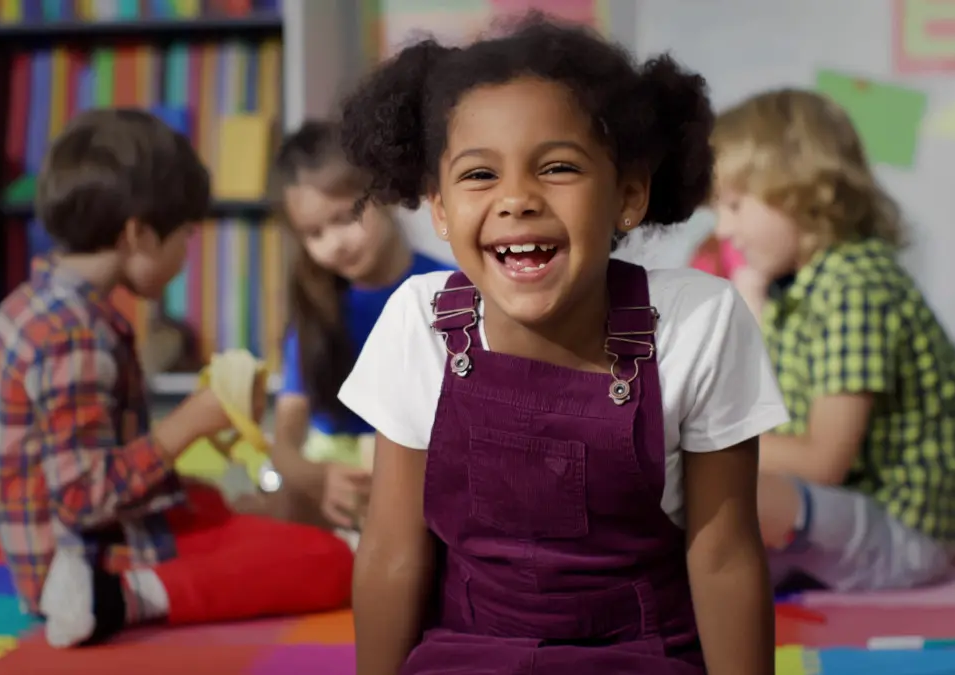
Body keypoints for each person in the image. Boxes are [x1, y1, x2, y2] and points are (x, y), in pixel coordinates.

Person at [336, 16, 789, 675]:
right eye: (479, 175)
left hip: (643, 657)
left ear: (628, 195)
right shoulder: (420, 321)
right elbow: (392, 552)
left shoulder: (697, 321)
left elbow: (724, 556)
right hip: (465, 656)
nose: (517, 198)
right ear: (438, 207)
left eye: (557, 167)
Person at [0, 109, 354, 649]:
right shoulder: (74, 336)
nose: (187, 253)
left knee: (223, 507)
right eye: (185, 237)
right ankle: (119, 598)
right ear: (139, 235)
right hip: (81, 563)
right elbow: (85, 498)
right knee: (330, 561)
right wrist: (192, 422)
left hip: (85, 539)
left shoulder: (32, 306)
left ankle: (147, 573)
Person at [709, 88, 955, 592]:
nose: (723, 229)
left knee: (723, 489)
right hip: (834, 516)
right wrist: (753, 305)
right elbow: (765, 407)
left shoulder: (854, 286)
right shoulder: (804, 287)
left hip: (901, 535)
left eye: (735, 205)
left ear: (800, 191)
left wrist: (705, 444)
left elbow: (821, 461)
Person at [238, 121, 451, 530]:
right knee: (270, 510)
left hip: (422, 461)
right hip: (335, 473)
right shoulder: (320, 307)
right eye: (314, 233)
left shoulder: (447, 289)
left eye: (345, 217)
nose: (333, 242)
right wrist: (318, 479)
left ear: (384, 192)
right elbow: (284, 443)